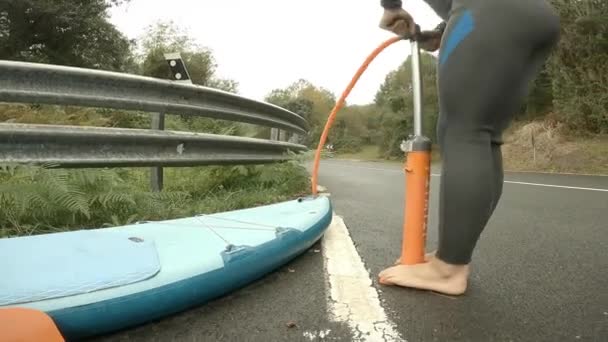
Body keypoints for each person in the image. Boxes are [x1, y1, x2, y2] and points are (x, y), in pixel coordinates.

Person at [376, 0, 561, 295]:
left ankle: (447, 270)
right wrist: (442, 30)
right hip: (538, 17)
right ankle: (451, 257)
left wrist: (391, 8)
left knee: (463, 131)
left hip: (485, 9)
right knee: (484, 134)